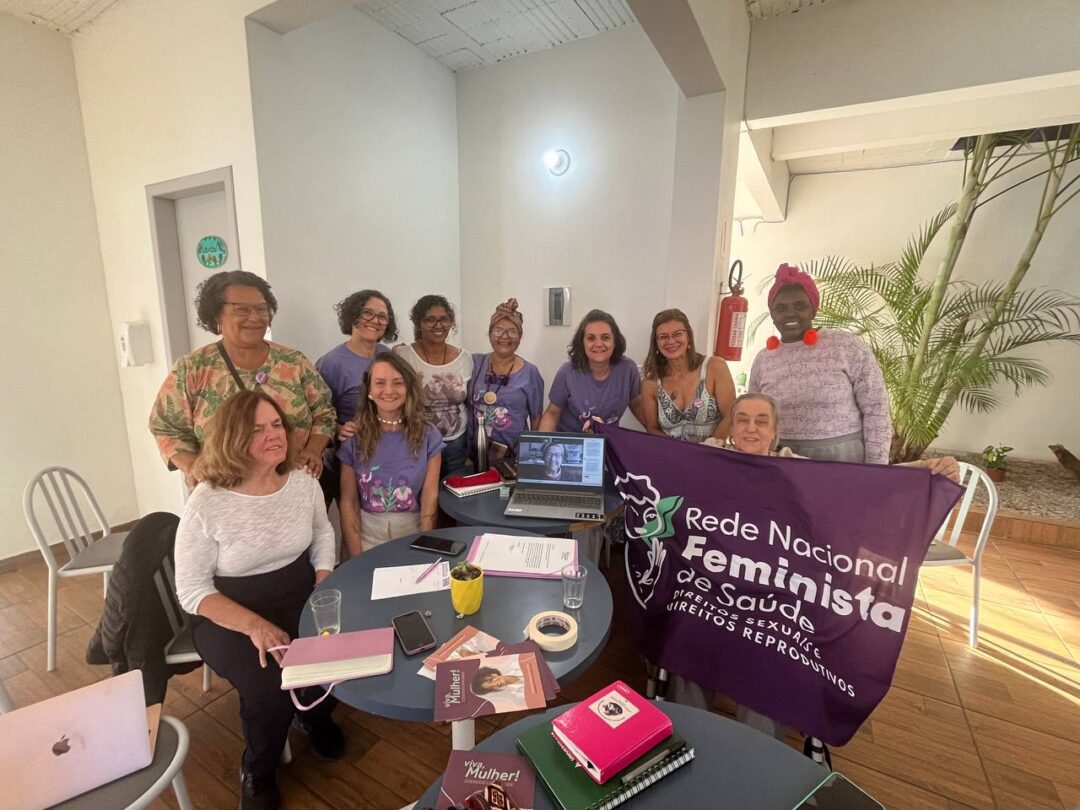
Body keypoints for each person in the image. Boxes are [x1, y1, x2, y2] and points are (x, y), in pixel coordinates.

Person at [173, 391, 342, 810]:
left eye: (277, 425)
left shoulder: (302, 482)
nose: (274, 435)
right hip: (230, 612)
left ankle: (313, 715)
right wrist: (255, 626)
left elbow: (322, 533)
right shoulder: (207, 501)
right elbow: (192, 589)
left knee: (336, 654)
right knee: (270, 690)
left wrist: (323, 580)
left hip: (299, 592)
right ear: (232, 439)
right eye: (257, 430)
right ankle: (258, 769)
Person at [149, 270, 335, 488]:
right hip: (224, 489)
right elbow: (165, 428)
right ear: (217, 315)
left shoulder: (294, 362)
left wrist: (313, 450)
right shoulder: (192, 369)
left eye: (261, 309)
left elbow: (325, 414)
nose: (255, 318)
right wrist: (192, 465)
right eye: (242, 310)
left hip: (292, 484)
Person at [749, 263, 892, 464]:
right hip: (782, 462)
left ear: (813, 310)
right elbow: (755, 416)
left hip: (842, 462)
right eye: (780, 308)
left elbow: (876, 409)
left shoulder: (847, 346)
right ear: (772, 314)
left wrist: (876, 467)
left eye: (800, 306)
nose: (790, 313)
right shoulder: (763, 359)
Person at [338, 354, 443, 555]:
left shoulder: (429, 435)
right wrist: (356, 558)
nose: (388, 391)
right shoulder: (354, 436)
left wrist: (425, 548)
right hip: (365, 536)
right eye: (379, 383)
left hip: (412, 534)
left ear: (408, 388)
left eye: (397, 383)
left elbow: (430, 497)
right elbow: (349, 502)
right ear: (369, 391)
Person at [315, 290, 396, 506]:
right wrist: (338, 429)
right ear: (353, 315)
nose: (375, 321)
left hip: (384, 456)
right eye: (367, 313)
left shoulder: (388, 355)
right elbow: (316, 414)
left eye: (382, 317)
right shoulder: (331, 363)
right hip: (347, 460)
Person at [394, 295, 473, 476]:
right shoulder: (403, 356)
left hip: (456, 443)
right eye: (430, 319)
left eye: (444, 319)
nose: (438, 325)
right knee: (422, 489)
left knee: (454, 489)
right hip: (417, 442)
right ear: (418, 323)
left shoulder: (465, 358)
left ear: (451, 322)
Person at [539, 309, 646, 433]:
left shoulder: (628, 369)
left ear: (615, 342)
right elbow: (552, 413)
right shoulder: (567, 372)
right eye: (591, 338)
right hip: (572, 440)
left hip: (608, 439)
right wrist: (540, 443)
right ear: (582, 343)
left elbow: (637, 404)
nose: (598, 344)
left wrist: (657, 434)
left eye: (605, 337)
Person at [641, 308, 736, 444]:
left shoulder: (714, 367)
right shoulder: (650, 383)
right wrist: (678, 452)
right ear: (656, 343)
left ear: (688, 336)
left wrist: (707, 449)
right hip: (671, 454)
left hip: (713, 452)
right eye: (663, 337)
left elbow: (730, 415)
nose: (671, 341)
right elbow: (652, 428)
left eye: (677, 334)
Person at [468, 298, 545, 465]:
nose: (504, 336)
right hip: (472, 455)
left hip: (512, 457)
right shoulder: (474, 363)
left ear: (520, 337)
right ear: (490, 334)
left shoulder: (530, 373)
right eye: (498, 330)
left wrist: (533, 458)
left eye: (512, 331)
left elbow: (536, 419)